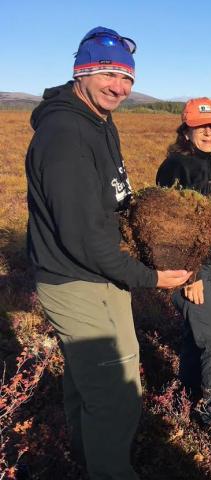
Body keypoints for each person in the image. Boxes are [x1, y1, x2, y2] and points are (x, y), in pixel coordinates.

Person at [25, 27, 191, 479]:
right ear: (82, 72)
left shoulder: (98, 120)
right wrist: (151, 278)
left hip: (101, 275)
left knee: (91, 385)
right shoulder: (65, 136)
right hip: (75, 279)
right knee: (113, 395)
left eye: (126, 77)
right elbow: (83, 236)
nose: (118, 86)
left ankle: (87, 461)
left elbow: (112, 201)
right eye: (106, 74)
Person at [155, 98, 211, 433]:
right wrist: (191, 274)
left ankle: (184, 397)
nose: (208, 132)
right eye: (200, 126)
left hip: (197, 266)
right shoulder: (184, 167)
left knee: (195, 336)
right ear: (186, 129)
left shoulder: (198, 162)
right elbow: (169, 227)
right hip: (189, 268)